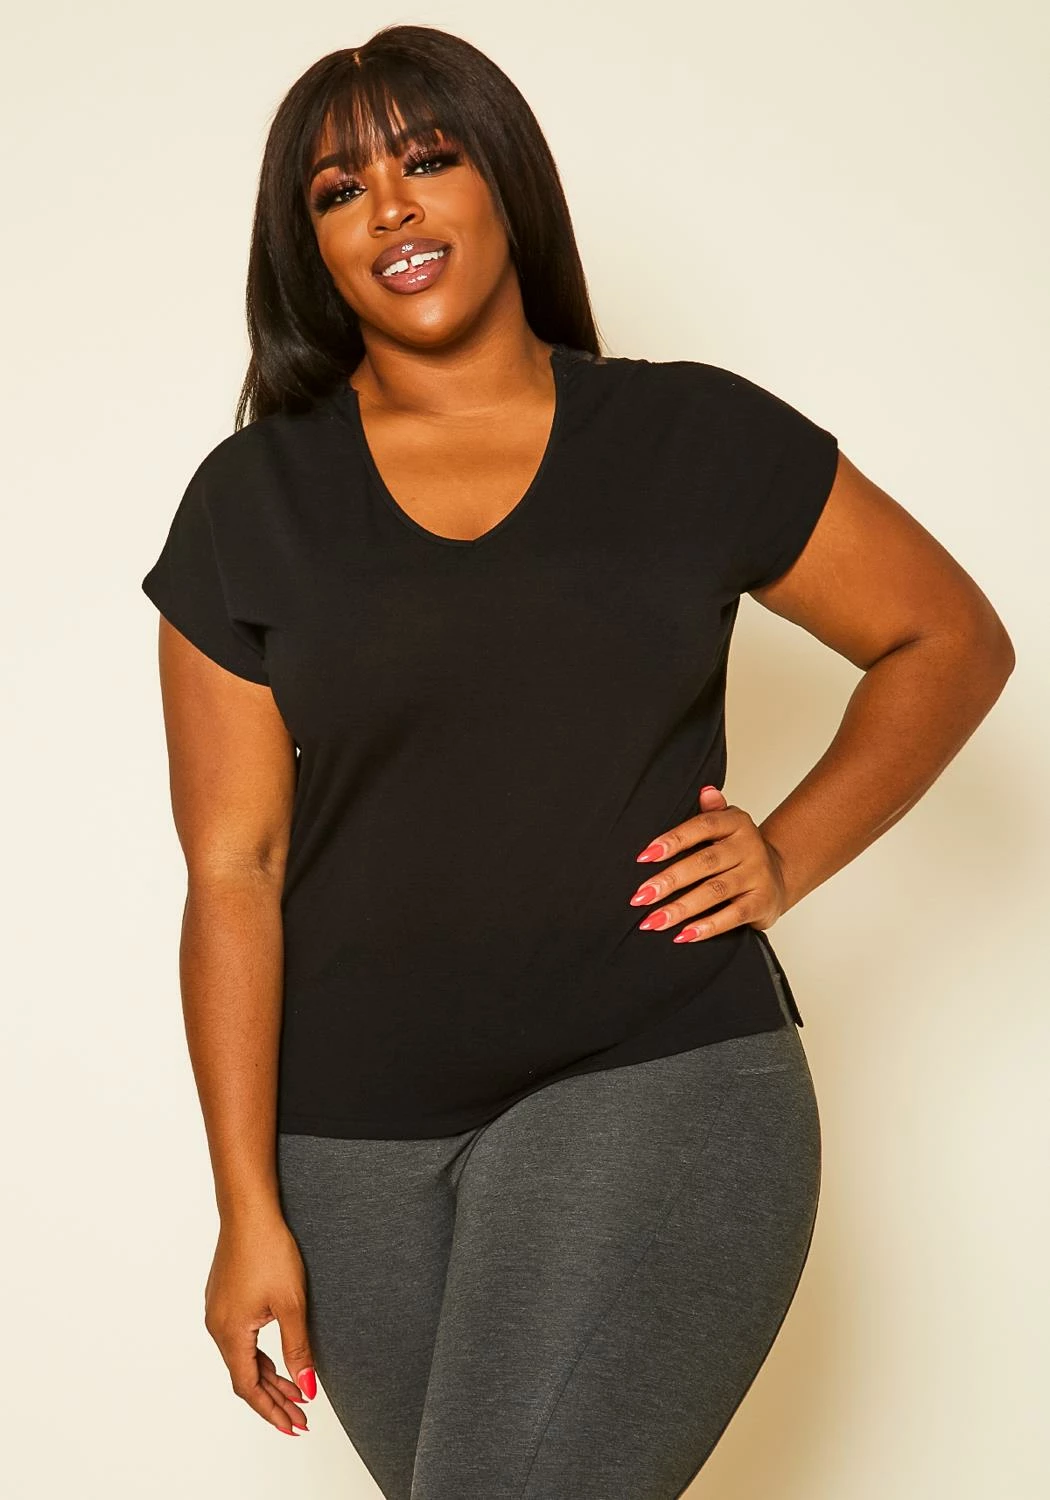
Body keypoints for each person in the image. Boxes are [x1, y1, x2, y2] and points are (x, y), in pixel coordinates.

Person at [140, 23, 1015, 1500]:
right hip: (349, 1150)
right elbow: (234, 866)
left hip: (650, 1075)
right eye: (340, 191)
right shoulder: (249, 502)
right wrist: (246, 1208)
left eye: (429, 160)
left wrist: (787, 852)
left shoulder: (689, 436)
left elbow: (948, 638)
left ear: (505, 184)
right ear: (310, 248)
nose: (392, 208)